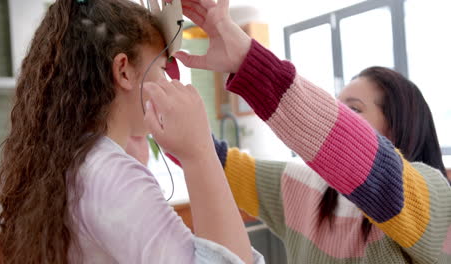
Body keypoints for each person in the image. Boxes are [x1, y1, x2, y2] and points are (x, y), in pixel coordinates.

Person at [171, 0, 451, 263]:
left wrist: (248, 61)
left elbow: (362, 157)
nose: (338, 118)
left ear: (398, 126)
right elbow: (210, 158)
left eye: (353, 111)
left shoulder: (432, 201)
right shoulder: (303, 190)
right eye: (336, 108)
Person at [0, 0, 263, 263]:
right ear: (124, 71)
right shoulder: (111, 173)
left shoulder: (73, 162)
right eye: (159, 67)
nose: (167, 79)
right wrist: (198, 151)